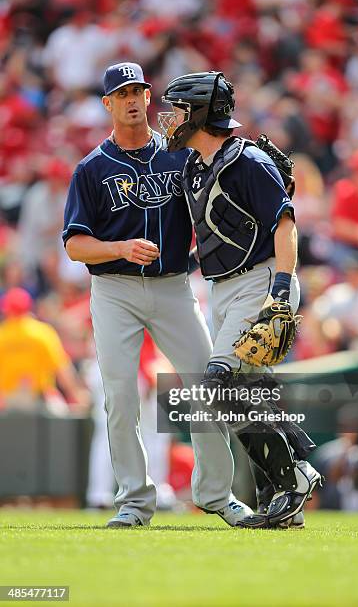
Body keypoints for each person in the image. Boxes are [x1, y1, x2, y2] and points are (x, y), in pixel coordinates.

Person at [63, 62, 253, 528]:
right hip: (113, 289)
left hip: (172, 287)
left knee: (207, 384)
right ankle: (134, 501)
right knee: (121, 395)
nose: (132, 100)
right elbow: (73, 244)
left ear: (150, 98)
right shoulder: (91, 168)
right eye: (122, 93)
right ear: (107, 103)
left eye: (138, 91)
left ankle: (217, 495)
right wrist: (119, 247)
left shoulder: (180, 156)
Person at [159, 71, 321, 529]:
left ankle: (292, 480)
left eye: (179, 109)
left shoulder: (246, 160)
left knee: (218, 385)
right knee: (250, 390)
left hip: (260, 278)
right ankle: (288, 490)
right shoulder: (194, 165)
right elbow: (216, 234)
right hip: (222, 287)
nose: (171, 119)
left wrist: (282, 289)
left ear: (200, 113)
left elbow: (285, 224)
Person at [0, 287, 88, 408]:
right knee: (61, 416)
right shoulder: (42, 332)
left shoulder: (2, 335)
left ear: (6, 310)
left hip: (7, 402)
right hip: (40, 399)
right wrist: (76, 395)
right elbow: (62, 368)